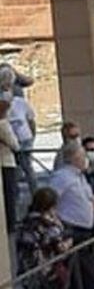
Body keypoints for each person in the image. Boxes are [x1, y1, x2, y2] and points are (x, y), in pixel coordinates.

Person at [52, 143, 94, 289]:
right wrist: (56, 223)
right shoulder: (62, 177)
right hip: (72, 230)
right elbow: (51, 201)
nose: (86, 159)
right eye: (83, 156)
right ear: (73, 158)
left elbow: (91, 199)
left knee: (86, 272)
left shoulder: (80, 177)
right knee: (84, 274)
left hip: (85, 231)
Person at [17, 187, 72, 288]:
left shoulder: (26, 222)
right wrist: (69, 241)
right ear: (50, 206)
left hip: (27, 272)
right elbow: (60, 247)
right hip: (45, 274)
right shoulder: (47, 224)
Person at [7, 72, 36, 193]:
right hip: (10, 138)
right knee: (16, 170)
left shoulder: (20, 101)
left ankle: (34, 193)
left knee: (26, 167)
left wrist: (32, 135)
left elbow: (30, 120)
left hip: (23, 138)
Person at [0, 97, 19, 232]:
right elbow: (14, 144)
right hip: (6, 161)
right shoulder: (3, 125)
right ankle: (11, 224)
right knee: (10, 194)